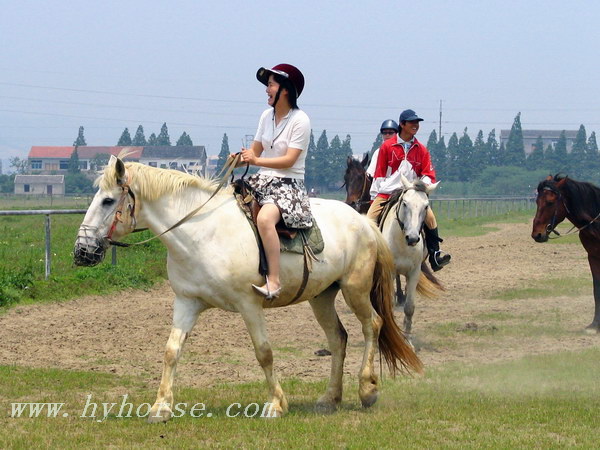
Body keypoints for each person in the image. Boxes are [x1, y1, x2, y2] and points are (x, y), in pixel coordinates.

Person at [239, 64, 312, 299]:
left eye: (271, 85)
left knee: (265, 218)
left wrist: (257, 159)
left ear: (286, 90)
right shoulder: (265, 116)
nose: (267, 90)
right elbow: (255, 151)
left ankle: (274, 280)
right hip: (262, 179)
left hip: (289, 184)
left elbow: (290, 160)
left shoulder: (301, 120)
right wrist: (239, 159)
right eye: (268, 85)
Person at [367, 109, 451, 271]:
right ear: (402, 124)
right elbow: (379, 174)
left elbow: (428, 174)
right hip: (388, 191)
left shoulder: (421, 149)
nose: (416, 125)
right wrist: (379, 193)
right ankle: (366, 256)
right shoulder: (387, 147)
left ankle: (435, 255)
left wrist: (421, 186)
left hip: (413, 192)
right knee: (370, 218)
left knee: (431, 219)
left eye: (417, 123)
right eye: (412, 123)